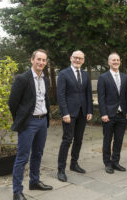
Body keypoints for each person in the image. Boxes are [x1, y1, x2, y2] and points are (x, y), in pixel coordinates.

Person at [9, 49, 53, 200]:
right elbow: (12, 102)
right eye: (38, 59)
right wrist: (21, 118)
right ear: (32, 60)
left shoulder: (45, 79)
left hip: (42, 121)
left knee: (38, 154)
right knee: (22, 157)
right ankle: (17, 191)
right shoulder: (23, 79)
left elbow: (45, 99)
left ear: (46, 63)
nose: (41, 62)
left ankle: (34, 182)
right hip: (29, 123)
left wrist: (47, 117)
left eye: (44, 60)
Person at [56, 50, 93, 182]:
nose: (78, 60)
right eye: (75, 58)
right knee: (67, 140)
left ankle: (74, 163)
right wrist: (64, 112)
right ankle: (61, 169)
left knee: (79, 139)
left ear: (83, 60)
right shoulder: (63, 74)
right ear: (71, 58)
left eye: (80, 58)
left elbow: (88, 93)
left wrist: (89, 110)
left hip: (83, 112)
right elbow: (60, 95)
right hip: (69, 113)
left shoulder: (85, 74)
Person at [97, 52, 127, 174]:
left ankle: (115, 162)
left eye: (117, 60)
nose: (116, 62)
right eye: (113, 60)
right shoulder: (103, 77)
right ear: (109, 62)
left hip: (122, 115)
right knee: (107, 139)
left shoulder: (124, 77)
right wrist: (103, 113)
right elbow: (101, 98)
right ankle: (107, 163)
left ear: (120, 62)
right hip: (108, 115)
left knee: (119, 140)